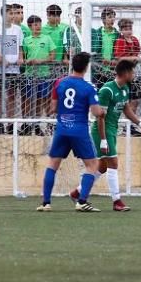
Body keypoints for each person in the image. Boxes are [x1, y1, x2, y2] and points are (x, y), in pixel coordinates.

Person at [68, 59, 141, 212]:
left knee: (103, 167)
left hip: (112, 131)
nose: (134, 74)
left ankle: (77, 192)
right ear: (125, 73)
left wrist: (140, 124)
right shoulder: (107, 90)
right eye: (132, 71)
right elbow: (100, 117)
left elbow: (126, 109)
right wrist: (103, 140)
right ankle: (117, 201)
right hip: (101, 131)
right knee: (113, 163)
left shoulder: (125, 88)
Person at [35, 52, 106, 212]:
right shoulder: (88, 87)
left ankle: (46, 203)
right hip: (79, 130)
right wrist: (102, 111)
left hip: (61, 129)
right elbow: (96, 112)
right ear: (86, 68)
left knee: (53, 164)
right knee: (92, 165)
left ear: (72, 65)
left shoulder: (59, 83)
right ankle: (81, 201)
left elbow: (52, 109)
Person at [22, 15, 55, 135]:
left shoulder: (47, 38)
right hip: (30, 74)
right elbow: (23, 58)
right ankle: (28, 124)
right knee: (29, 99)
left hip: (44, 74)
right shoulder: (26, 40)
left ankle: (40, 124)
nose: (38, 27)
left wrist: (41, 61)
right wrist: (28, 61)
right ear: (30, 26)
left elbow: (52, 56)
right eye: (35, 24)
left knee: (42, 99)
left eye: (40, 24)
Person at [0, 3, 24, 135]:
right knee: (0, 96)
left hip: (14, 70)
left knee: (12, 96)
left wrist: (20, 58)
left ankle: (11, 124)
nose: (13, 16)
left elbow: (20, 47)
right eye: (11, 13)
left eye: (14, 13)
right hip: (0, 69)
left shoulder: (17, 29)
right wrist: (2, 59)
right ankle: (0, 123)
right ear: (4, 14)